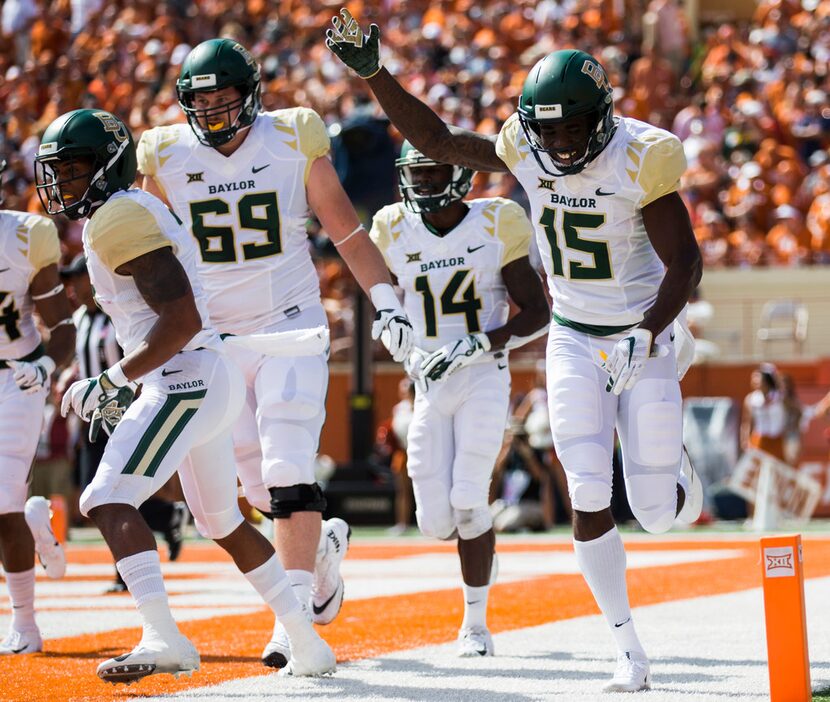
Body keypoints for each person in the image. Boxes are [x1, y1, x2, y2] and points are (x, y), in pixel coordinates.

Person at [326, 16, 703, 691]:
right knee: (588, 491)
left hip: (642, 334)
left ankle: (674, 467)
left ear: (601, 116)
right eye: (546, 129)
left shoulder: (643, 155)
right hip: (571, 337)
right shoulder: (523, 149)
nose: (557, 142)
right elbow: (437, 140)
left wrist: (648, 334)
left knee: (656, 512)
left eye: (570, 128)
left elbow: (686, 265)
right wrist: (374, 73)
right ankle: (628, 649)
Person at [136, 38, 414, 668]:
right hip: (215, 338)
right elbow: (151, 257)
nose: (209, 112)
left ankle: (291, 626)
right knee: (256, 484)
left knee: (288, 466)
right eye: (198, 101)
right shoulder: (164, 152)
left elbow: (343, 227)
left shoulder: (292, 136)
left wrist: (386, 298)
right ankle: (318, 554)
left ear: (250, 94)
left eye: (221, 98)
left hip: (289, 325)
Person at [34, 108, 336, 682]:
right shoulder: (133, 208)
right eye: (58, 170)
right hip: (200, 374)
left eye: (73, 169)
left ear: (105, 167)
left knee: (105, 497)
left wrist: (113, 379)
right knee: (222, 520)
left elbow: (178, 318)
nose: (62, 183)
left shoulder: (117, 215)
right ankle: (306, 640)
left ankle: (162, 636)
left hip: (184, 377)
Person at [369, 141, 550, 655]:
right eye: (415, 173)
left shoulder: (495, 221)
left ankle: (475, 624)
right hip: (428, 384)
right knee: (433, 522)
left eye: (433, 171)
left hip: (482, 377)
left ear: (459, 173)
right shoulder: (392, 226)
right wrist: (389, 320)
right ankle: (479, 542)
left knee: (469, 498)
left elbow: (536, 311)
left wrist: (480, 342)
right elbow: (381, 293)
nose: (422, 183)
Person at [60, 254, 189, 593]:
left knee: (118, 492)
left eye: (79, 280)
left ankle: (127, 573)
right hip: (92, 417)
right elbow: (85, 362)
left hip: (123, 410)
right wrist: (67, 378)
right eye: (72, 281)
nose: (75, 288)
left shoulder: (119, 316)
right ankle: (167, 518)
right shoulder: (80, 319)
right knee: (95, 493)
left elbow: (140, 355)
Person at [0, 158, 75, 655]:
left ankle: (25, 623)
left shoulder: (25, 236)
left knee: (3, 499)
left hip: (16, 379)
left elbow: (63, 327)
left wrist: (47, 367)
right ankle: (34, 523)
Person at [741, 363, 787, 462]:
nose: (754, 380)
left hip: (777, 439)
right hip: (759, 439)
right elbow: (747, 422)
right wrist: (745, 440)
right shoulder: (751, 399)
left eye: (758, 377)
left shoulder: (781, 397)